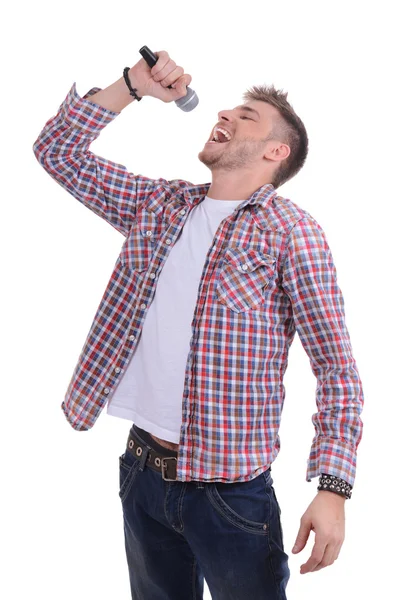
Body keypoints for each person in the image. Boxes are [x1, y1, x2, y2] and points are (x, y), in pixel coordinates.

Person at [33, 49, 364, 600]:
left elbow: (336, 368)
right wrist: (132, 85)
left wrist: (334, 487)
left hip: (230, 496)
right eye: (230, 109)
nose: (227, 116)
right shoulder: (158, 206)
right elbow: (57, 152)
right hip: (142, 473)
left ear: (276, 151)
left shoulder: (291, 232)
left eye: (247, 116)